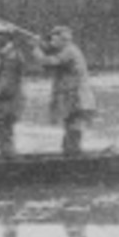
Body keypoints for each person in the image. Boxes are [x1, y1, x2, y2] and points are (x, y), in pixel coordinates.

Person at [32, 25, 97, 157]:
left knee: (73, 131)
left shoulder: (69, 51)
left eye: (54, 39)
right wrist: (40, 43)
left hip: (78, 99)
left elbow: (49, 62)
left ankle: (74, 160)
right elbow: (50, 49)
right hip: (72, 99)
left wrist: (36, 48)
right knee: (70, 132)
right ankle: (72, 157)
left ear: (63, 40)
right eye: (51, 39)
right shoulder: (67, 48)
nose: (52, 42)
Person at [0, 22, 27, 159]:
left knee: (5, 133)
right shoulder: (6, 54)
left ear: (5, 37)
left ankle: (9, 163)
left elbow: (7, 84)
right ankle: (8, 159)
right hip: (6, 102)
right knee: (3, 134)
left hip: (9, 102)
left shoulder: (11, 56)